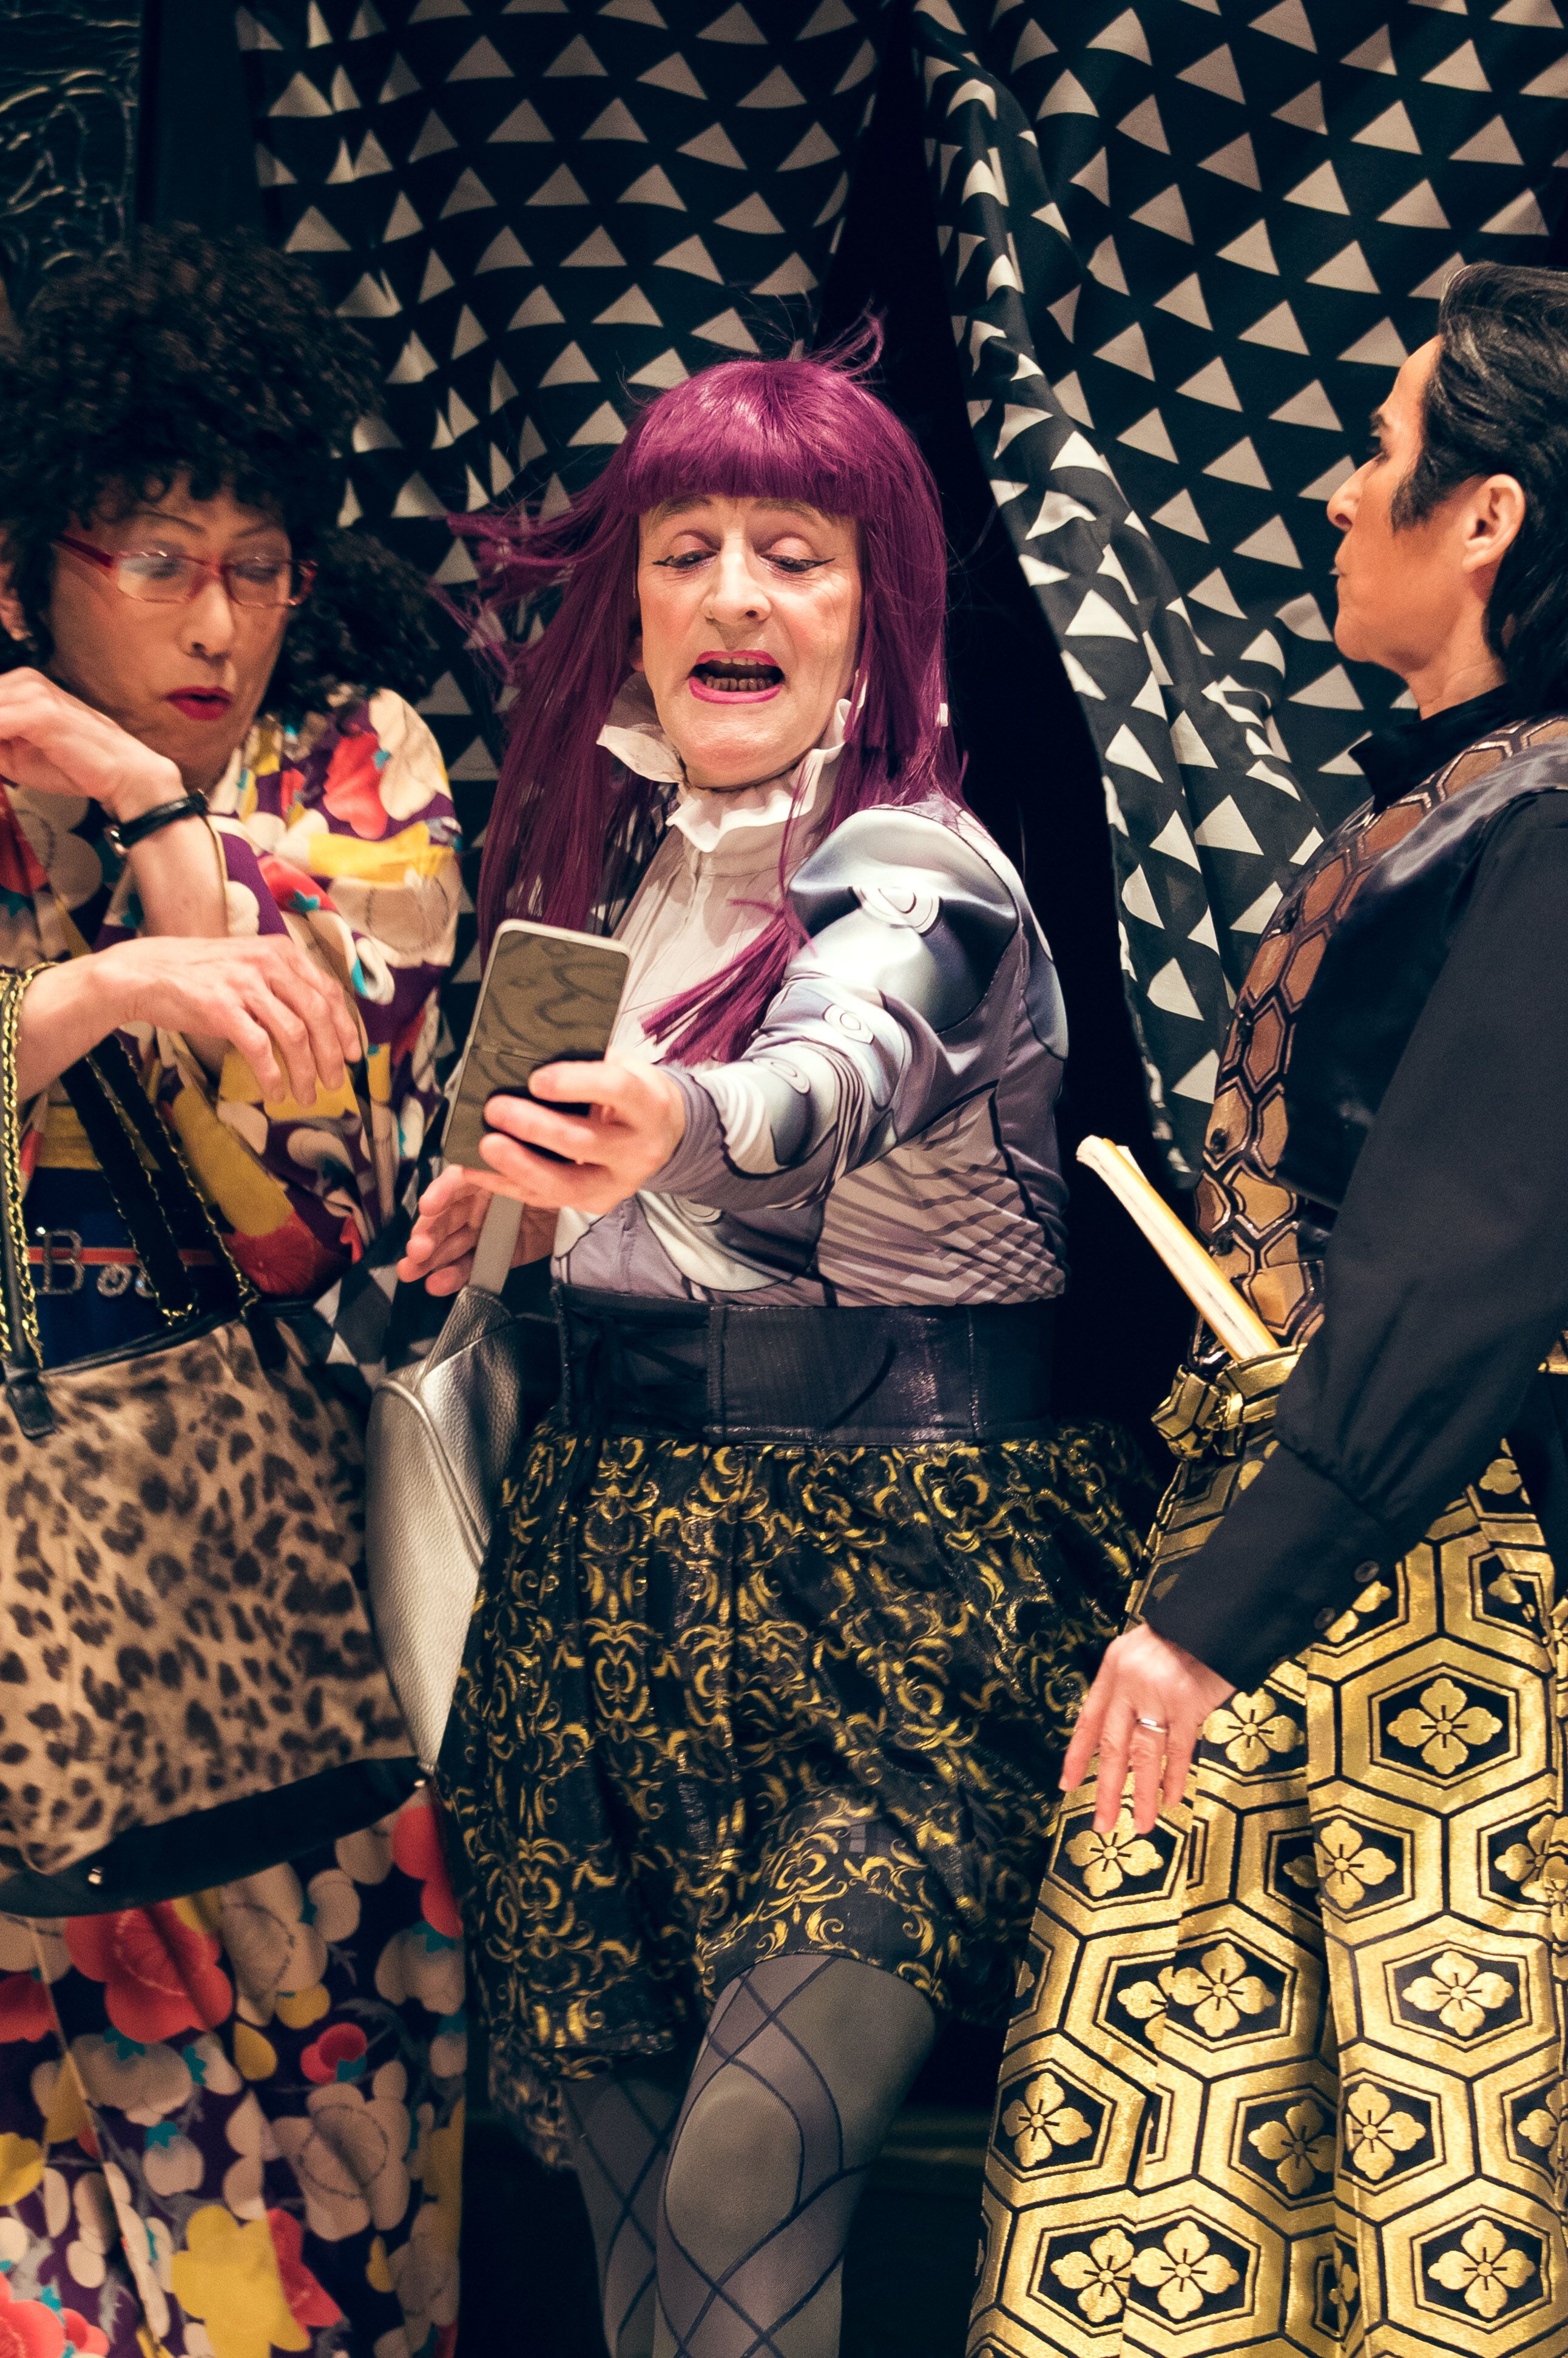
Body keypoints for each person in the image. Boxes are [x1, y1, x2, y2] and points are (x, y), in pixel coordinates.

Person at [970, 268, 1568, 2356]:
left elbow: (1463, 1277)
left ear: (1487, 515)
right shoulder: (1481, 795)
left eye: (1382, 451)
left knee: (1449, 2162)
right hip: (1360, 1537)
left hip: (1456, 1573)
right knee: (1239, 2153)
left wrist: (1199, 1621)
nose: (1343, 494)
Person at [0, 228, 470, 2358]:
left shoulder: (360, 769)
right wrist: (91, 993)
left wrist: (151, 808)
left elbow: (349, 1144)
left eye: (257, 562)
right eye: (157, 559)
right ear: (38, 562)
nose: (217, 618)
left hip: (266, 1574)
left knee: (300, 2190)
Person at [395, 348, 1142, 2358]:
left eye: (792, 558)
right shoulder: (608, 876)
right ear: (630, 598)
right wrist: (514, 1204)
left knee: (744, 2171)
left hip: (904, 1591)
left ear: (873, 612)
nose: (734, 595)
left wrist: (678, 1121)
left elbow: (835, 1072)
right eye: (689, 549)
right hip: (604, 1574)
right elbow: (581, 1192)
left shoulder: (926, 866)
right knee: (635, 2198)